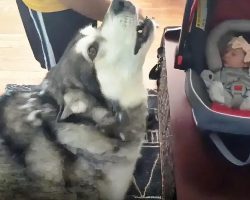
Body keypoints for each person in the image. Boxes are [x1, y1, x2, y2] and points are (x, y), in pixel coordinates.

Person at [16, 0, 110, 70]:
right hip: (54, 10)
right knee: (65, 74)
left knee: (87, 61)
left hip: (85, 6)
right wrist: (115, 14)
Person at [202, 36, 250, 109]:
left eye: (233, 54)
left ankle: (245, 106)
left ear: (245, 63)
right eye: (227, 52)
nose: (226, 55)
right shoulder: (220, 71)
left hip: (247, 95)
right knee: (215, 85)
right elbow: (212, 80)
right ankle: (222, 102)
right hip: (226, 94)